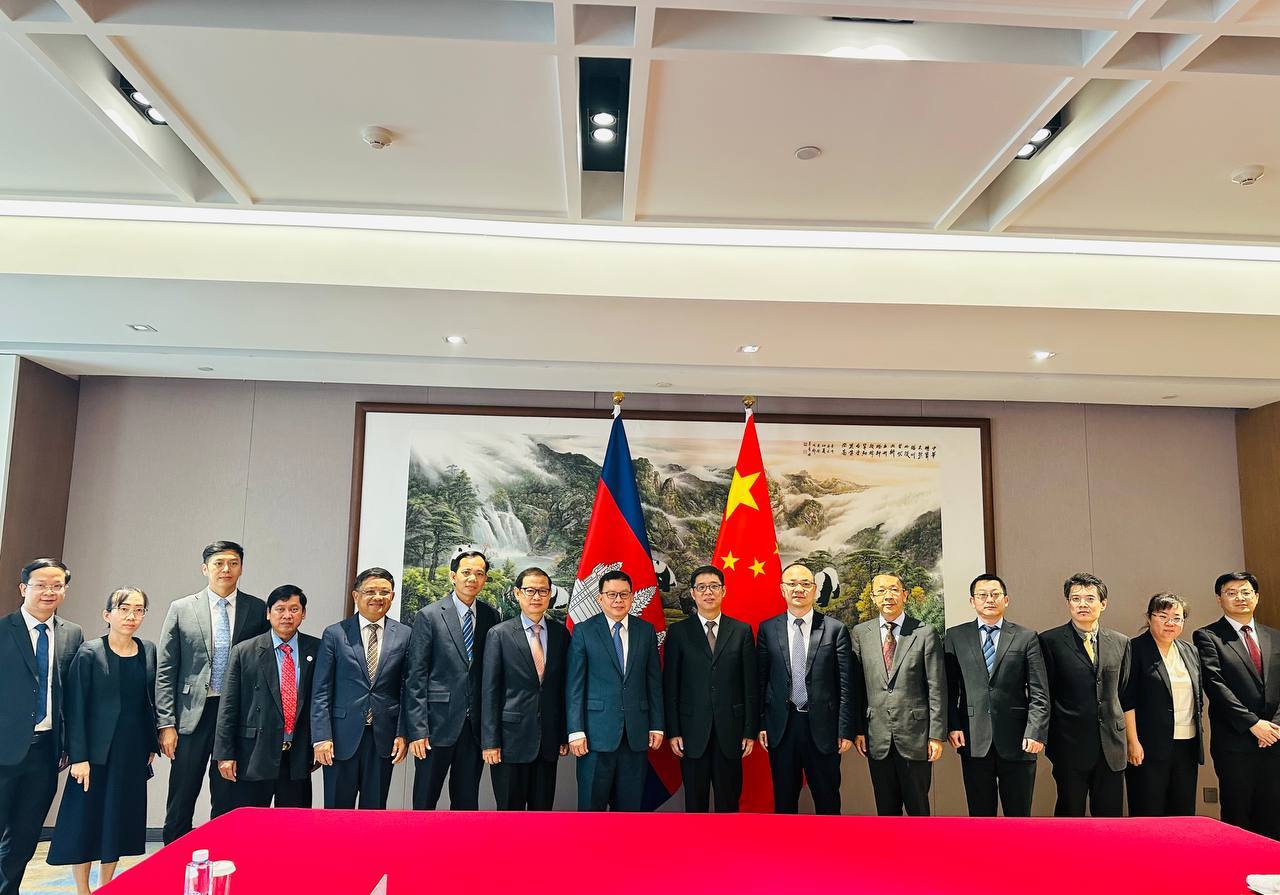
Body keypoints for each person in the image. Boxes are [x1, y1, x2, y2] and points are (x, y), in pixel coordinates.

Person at [156, 541, 269, 843]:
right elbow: (166, 668)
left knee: (228, 793)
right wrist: (166, 723)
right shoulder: (181, 608)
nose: (226, 569)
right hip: (192, 715)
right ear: (205, 568)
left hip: (235, 715)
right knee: (182, 793)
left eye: (233, 563)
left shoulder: (257, 609)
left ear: (241, 568)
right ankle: (173, 856)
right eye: (219, 563)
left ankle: (223, 855)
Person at [47, 587, 156, 895]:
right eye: (124, 609)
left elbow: (148, 701)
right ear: (107, 615)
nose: (131, 616)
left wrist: (150, 744)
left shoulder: (147, 650)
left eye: (138, 610)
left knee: (116, 821)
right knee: (85, 822)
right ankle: (83, 890)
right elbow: (75, 707)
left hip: (131, 752)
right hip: (94, 755)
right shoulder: (89, 652)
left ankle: (106, 886)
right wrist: (78, 756)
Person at [0, 559, 84, 895]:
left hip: (46, 752)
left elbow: (73, 694)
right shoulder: (3, 630)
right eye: (41, 585)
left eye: (57, 585)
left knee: (24, 836)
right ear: (24, 588)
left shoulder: (73, 633)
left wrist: (71, 745)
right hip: (3, 749)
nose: (49, 591)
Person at [944, 573, 1048, 817]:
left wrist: (1035, 731)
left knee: (1019, 816)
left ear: (1006, 600)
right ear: (972, 601)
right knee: (980, 816)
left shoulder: (1026, 637)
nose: (989, 599)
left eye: (995, 594)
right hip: (973, 737)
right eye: (982, 595)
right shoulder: (955, 636)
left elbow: (1039, 692)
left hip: (1019, 740)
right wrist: (953, 725)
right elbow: (949, 688)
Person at [406, 547, 500, 810]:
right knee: (425, 800)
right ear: (452, 576)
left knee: (466, 802)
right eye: (466, 572)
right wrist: (418, 730)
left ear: (485, 579)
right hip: (435, 726)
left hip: (473, 728)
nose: (472, 579)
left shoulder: (491, 616)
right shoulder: (429, 615)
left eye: (479, 574)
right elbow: (415, 677)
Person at [757, 562, 853, 815]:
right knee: (784, 801)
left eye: (805, 584)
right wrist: (762, 723)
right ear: (782, 589)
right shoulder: (768, 629)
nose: (798, 589)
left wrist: (844, 729)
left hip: (823, 728)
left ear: (814, 589)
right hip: (782, 727)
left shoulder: (835, 629)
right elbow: (761, 680)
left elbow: (845, 685)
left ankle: (829, 842)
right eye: (792, 584)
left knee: (827, 800)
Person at [565, 570, 664, 811]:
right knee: (591, 807)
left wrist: (657, 725)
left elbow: (653, 682)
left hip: (635, 734)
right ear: (600, 598)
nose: (618, 600)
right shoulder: (584, 631)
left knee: (630, 809)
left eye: (624, 594)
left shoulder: (646, 631)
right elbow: (575, 685)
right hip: (594, 735)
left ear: (632, 597)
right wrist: (575, 730)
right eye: (611, 594)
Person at [311, 568, 409, 809]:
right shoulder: (335, 633)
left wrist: (402, 732)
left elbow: (407, 688)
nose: (378, 597)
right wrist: (321, 737)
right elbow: (321, 689)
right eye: (370, 591)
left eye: (384, 592)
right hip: (339, 738)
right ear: (356, 595)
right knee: (337, 812)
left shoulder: (405, 634)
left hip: (383, 737)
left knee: (374, 812)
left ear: (392, 596)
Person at [214, 585, 320, 808]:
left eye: (294, 609)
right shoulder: (244, 651)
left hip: (297, 756)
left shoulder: (317, 649)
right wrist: (225, 753)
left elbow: (321, 701)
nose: (287, 615)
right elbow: (228, 707)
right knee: (251, 824)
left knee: (293, 824)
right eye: (280, 609)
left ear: (303, 614)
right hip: (254, 753)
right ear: (268, 613)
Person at [663, 565, 758, 813]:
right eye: (702, 587)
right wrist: (673, 731)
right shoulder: (678, 632)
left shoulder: (741, 631)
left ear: (724, 591)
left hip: (731, 731)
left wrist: (749, 730)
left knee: (729, 803)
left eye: (714, 586)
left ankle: (729, 839)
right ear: (693, 593)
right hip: (691, 732)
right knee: (695, 804)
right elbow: (670, 686)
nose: (708, 592)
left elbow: (750, 685)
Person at [1193, 572, 1280, 838]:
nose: (1239, 598)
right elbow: (1216, 686)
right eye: (1231, 593)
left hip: (1275, 741)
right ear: (1219, 599)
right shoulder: (1208, 636)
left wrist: (1274, 727)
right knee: (1237, 817)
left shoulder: (1275, 636)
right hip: (1235, 742)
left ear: (1257, 597)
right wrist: (1253, 724)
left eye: (1245, 592)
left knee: (1273, 816)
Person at [852, 572, 946, 816]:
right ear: (873, 598)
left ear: (905, 595)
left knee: (918, 808)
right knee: (885, 810)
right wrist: (859, 729)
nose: (888, 596)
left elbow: (936, 687)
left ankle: (920, 844)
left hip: (916, 735)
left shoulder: (925, 632)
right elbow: (857, 687)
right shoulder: (861, 633)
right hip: (876, 734)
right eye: (881, 591)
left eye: (894, 589)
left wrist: (936, 735)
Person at [1040, 571, 1131, 817]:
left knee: (1110, 818)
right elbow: (1045, 694)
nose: (1083, 604)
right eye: (1076, 599)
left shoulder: (1121, 642)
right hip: (1069, 745)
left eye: (1090, 599)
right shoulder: (1049, 641)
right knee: (1070, 816)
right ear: (1068, 603)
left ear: (1103, 604)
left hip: (1111, 745)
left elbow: (1122, 691)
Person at [480, 567, 570, 810]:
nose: (536, 596)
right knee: (510, 815)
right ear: (517, 593)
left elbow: (563, 689)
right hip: (510, 741)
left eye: (543, 591)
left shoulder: (561, 634)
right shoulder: (499, 634)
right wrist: (490, 741)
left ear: (550, 595)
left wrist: (562, 733)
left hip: (548, 741)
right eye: (530, 590)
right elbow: (490, 691)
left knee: (542, 814)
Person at [1122, 593, 1203, 817]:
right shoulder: (1134, 649)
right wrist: (1133, 742)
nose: (1170, 623)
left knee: (1182, 812)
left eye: (1177, 618)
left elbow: (1197, 698)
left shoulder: (1190, 651)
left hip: (1187, 744)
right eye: (1163, 616)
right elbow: (1127, 700)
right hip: (1148, 746)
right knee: (1148, 811)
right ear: (1149, 618)